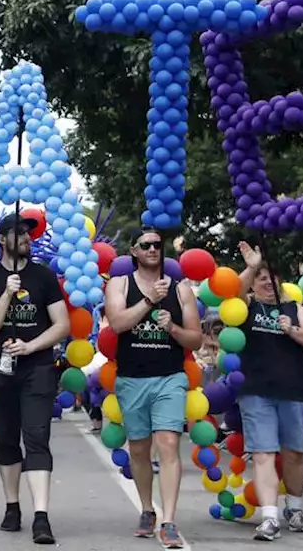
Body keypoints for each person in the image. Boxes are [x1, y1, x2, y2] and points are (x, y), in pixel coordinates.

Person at [0, 214, 70, 545]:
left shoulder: (44, 277)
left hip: (38, 367)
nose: (27, 237)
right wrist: (6, 294)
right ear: (3, 239)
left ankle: (41, 517)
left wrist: (30, 345)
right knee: (6, 439)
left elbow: (61, 325)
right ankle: (12, 506)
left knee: (37, 436)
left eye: (29, 232)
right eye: (19, 233)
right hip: (0, 368)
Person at [103, 228, 201, 548]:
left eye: (158, 245)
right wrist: (149, 300)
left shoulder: (182, 289)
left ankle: (169, 520)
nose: (153, 249)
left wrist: (171, 326)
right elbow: (118, 324)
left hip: (170, 377)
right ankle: (148, 509)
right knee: (140, 449)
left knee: (169, 443)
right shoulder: (120, 284)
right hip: (132, 378)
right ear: (134, 250)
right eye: (146, 245)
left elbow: (195, 339)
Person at [235, 242, 303, 542]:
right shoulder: (244, 306)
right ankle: (269, 517)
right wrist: (250, 266)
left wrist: (293, 330)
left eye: (272, 278)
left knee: (295, 454)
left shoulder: (293, 308)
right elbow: (232, 295)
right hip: (256, 390)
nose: (267, 283)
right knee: (263, 454)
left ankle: (294, 508)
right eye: (261, 278)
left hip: (293, 389)